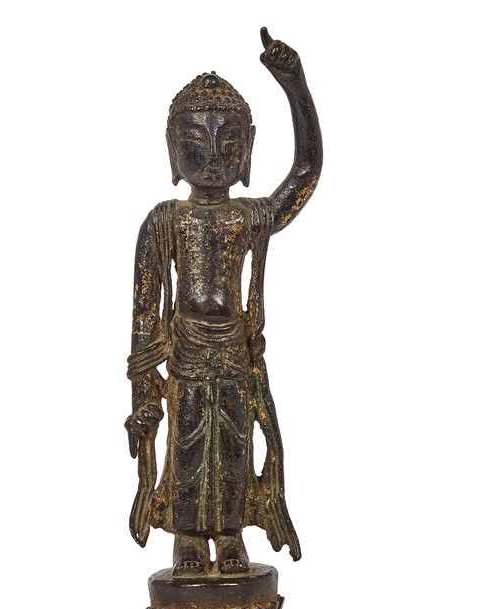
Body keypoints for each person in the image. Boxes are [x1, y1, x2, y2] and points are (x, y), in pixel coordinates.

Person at [125, 28, 322, 576]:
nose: (213, 157)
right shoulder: (164, 220)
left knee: (235, 444)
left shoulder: (248, 216)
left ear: (247, 150)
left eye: (228, 143)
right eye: (196, 142)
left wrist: (296, 87)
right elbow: (144, 316)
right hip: (185, 355)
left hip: (236, 354)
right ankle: (188, 539)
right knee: (187, 444)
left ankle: (231, 533)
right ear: (173, 149)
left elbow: (305, 174)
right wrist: (143, 394)